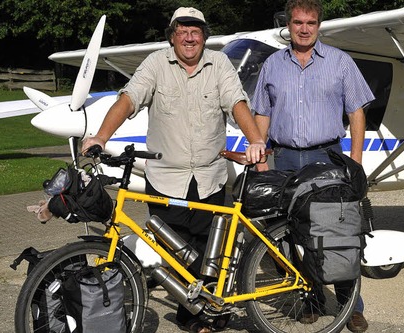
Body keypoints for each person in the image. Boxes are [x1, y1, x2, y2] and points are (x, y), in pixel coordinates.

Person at [81, 7, 266, 333]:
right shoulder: (156, 64)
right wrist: (100, 136)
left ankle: (209, 311)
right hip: (167, 178)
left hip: (210, 177)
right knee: (176, 252)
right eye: (183, 30)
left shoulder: (219, 63)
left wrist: (255, 140)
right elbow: (128, 99)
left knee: (211, 250)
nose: (190, 37)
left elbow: (237, 103)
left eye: (196, 30)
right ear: (172, 35)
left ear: (204, 36)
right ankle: (191, 315)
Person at [251, 0, 375, 332]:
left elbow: (356, 114)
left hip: (326, 158)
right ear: (288, 26)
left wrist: (356, 161)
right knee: (292, 236)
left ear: (319, 25)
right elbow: (261, 113)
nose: (304, 29)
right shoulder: (272, 65)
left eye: (311, 23)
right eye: (297, 23)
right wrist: (262, 158)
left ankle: (352, 306)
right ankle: (312, 299)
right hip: (286, 158)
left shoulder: (340, 62)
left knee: (339, 232)